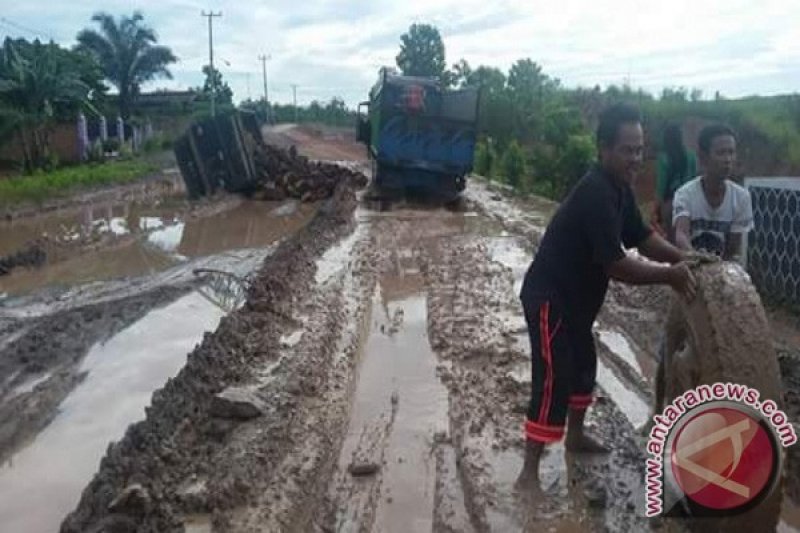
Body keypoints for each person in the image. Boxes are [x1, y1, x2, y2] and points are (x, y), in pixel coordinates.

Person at [516, 103, 697, 489]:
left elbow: (644, 238)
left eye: (639, 149)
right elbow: (616, 264)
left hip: (579, 302)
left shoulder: (620, 190)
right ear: (604, 149)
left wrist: (685, 258)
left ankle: (576, 436)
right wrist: (671, 277)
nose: (636, 158)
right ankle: (528, 471)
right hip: (550, 299)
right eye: (627, 149)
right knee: (553, 377)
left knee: (584, 365)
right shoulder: (595, 192)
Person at [672, 124, 754, 260]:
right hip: (691, 265)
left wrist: (718, 271)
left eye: (731, 152)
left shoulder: (742, 198)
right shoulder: (685, 194)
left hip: (723, 268)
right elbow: (681, 235)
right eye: (721, 153)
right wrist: (697, 260)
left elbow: (733, 248)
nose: (728, 159)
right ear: (703, 157)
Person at [656, 123, 698, 242]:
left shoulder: (663, 158)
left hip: (669, 203)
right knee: (686, 237)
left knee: (670, 240)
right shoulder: (691, 156)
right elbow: (695, 180)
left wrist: (656, 209)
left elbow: (661, 186)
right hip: (688, 202)